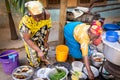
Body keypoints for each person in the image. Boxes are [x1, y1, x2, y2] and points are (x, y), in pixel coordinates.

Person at [19, 1, 52, 68]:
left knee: (44, 46)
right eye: (35, 17)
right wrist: (38, 50)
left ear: (43, 11)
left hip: (39, 29)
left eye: (40, 16)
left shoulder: (46, 15)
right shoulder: (26, 20)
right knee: (34, 61)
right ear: (30, 13)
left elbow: (48, 29)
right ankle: (36, 62)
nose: (37, 19)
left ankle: (43, 59)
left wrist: (45, 41)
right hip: (28, 34)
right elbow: (27, 39)